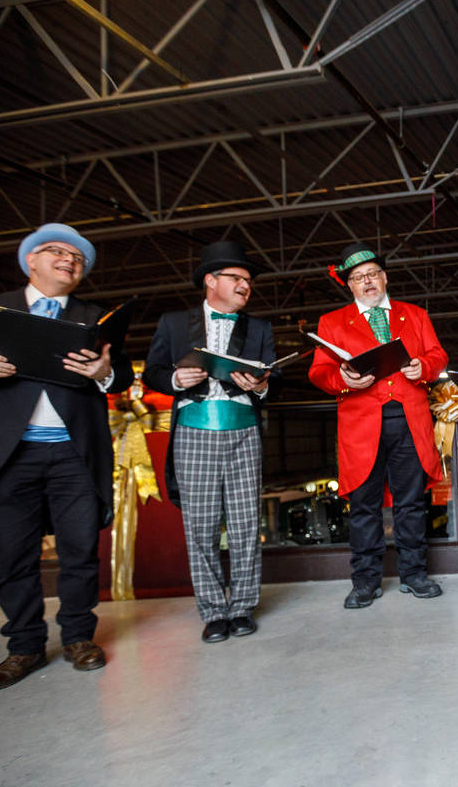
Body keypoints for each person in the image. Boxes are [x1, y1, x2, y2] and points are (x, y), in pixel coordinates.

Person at [0, 222, 133, 691]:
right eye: (57, 251)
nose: (70, 261)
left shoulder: (94, 316)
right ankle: (24, 647)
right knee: (14, 554)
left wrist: (104, 372)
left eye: (79, 258)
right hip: (8, 453)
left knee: (79, 550)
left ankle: (79, 637)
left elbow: (120, 376)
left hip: (74, 453)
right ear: (30, 260)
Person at [143, 241, 274, 644]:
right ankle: (214, 610)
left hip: (243, 429)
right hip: (195, 430)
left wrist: (263, 383)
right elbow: (152, 372)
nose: (245, 286)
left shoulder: (260, 328)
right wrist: (174, 381)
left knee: (246, 523)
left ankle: (242, 607)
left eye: (248, 281)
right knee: (199, 525)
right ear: (210, 281)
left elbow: (274, 376)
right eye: (237, 278)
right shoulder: (174, 323)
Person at [309, 244, 449, 608]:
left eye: (372, 274)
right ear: (349, 286)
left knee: (411, 503)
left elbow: (438, 355)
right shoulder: (332, 322)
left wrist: (425, 367)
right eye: (358, 278)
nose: (367, 282)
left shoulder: (415, 314)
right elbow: (318, 372)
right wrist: (341, 377)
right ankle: (365, 581)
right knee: (364, 506)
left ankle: (415, 574)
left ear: (385, 278)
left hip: (409, 420)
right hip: (360, 426)